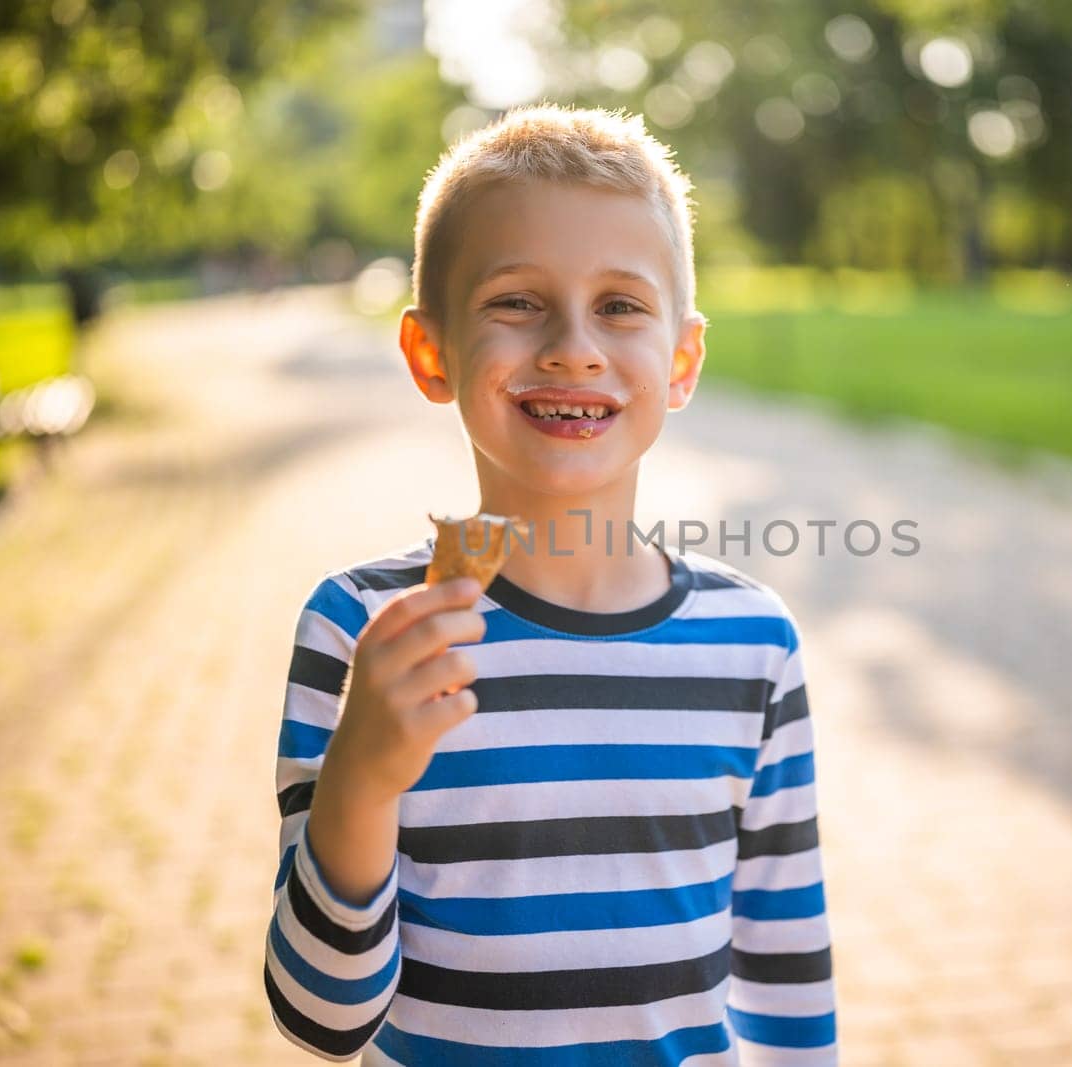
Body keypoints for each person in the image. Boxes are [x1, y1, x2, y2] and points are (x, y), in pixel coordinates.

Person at [264, 103, 837, 1065]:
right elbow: (321, 1017)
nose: (574, 345)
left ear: (683, 360)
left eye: (621, 305)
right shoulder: (366, 631)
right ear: (431, 353)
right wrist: (359, 780)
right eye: (516, 301)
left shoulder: (754, 643)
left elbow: (784, 974)